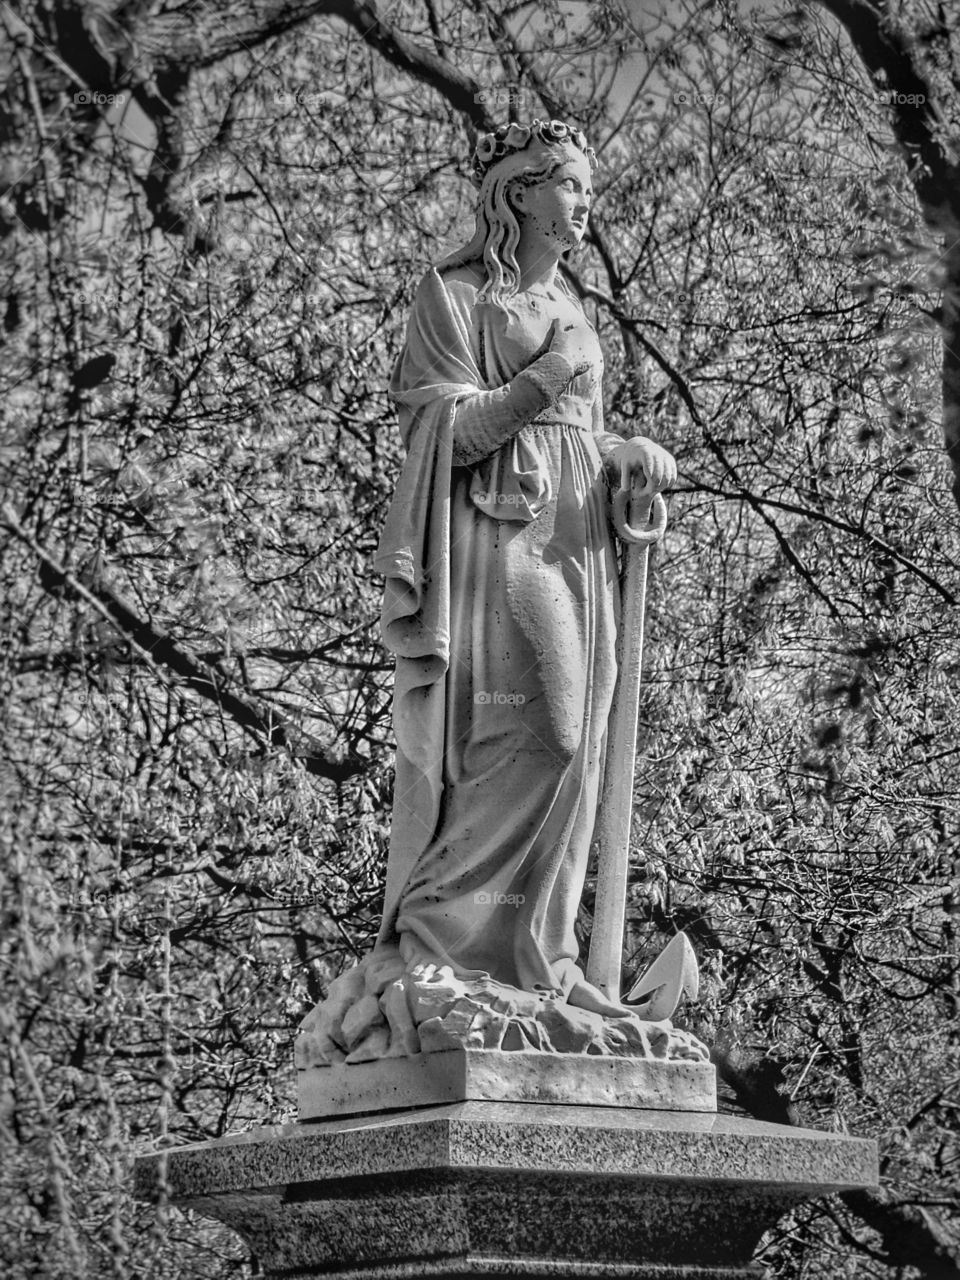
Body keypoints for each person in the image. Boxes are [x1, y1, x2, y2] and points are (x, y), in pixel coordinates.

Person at [371, 119, 678, 1021]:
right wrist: (544, 379)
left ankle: (540, 959)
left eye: (584, 186)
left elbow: (580, 432)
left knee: (578, 751)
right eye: (569, 184)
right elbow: (446, 436)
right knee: (537, 734)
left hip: (581, 536)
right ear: (519, 192)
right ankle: (435, 942)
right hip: (499, 540)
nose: (583, 201)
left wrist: (631, 454)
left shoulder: (576, 309)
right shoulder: (455, 296)